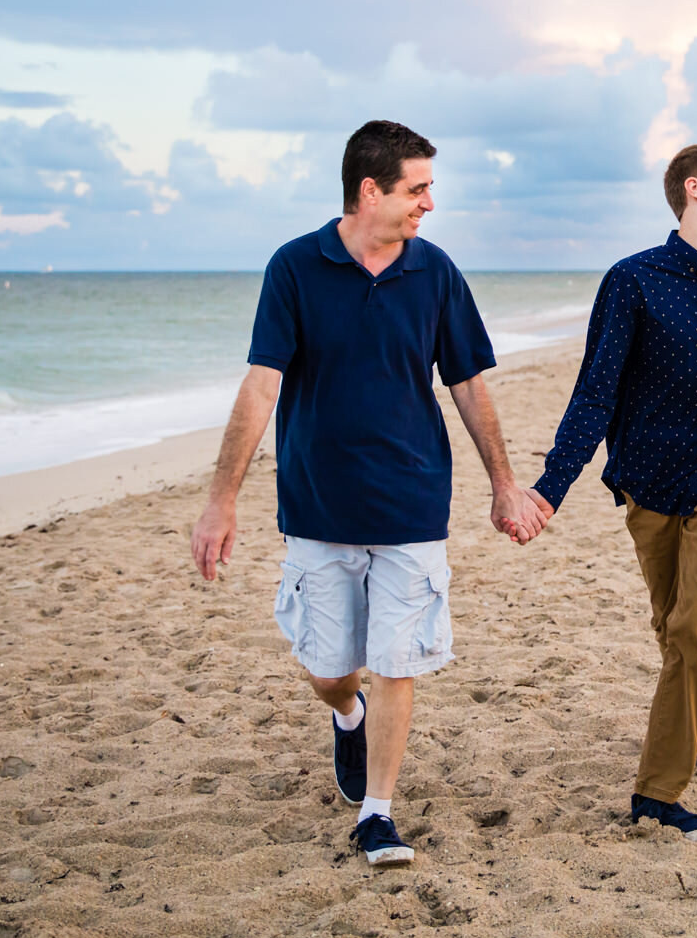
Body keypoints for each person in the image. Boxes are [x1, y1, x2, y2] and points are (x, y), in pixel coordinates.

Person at [189, 121, 549, 866]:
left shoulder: (436, 271)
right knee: (329, 666)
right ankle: (345, 714)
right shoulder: (295, 267)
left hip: (413, 501)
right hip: (319, 503)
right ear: (369, 190)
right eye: (417, 188)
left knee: (397, 660)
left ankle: (378, 813)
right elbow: (262, 386)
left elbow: (468, 385)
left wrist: (504, 483)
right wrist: (221, 499)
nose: (428, 203)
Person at [529, 142, 697, 843]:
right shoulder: (634, 280)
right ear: (695, 189)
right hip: (649, 479)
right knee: (675, 624)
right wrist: (548, 489)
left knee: (689, 628)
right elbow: (596, 391)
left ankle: (656, 792)